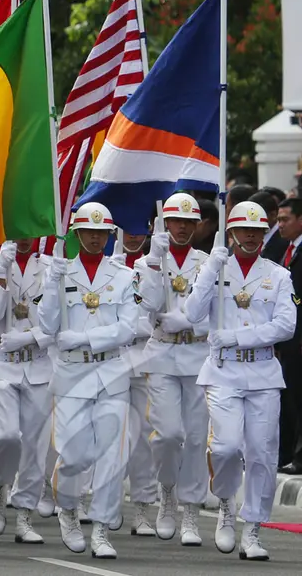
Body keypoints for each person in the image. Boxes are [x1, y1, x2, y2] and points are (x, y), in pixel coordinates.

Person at [184, 201, 296, 561]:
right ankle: (226, 504)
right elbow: (191, 313)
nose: (251, 236)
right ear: (230, 233)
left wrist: (239, 337)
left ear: (265, 234)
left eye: (258, 230)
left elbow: (286, 325)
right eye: (244, 230)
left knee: (262, 454)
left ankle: (253, 529)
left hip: (262, 370)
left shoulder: (278, 275)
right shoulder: (214, 268)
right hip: (224, 372)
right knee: (226, 447)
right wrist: (208, 270)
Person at [38, 202, 136, 559]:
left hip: (110, 371)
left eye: (101, 233)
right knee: (75, 454)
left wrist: (83, 338)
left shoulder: (124, 276)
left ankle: (100, 530)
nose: (95, 238)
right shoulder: (61, 273)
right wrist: (51, 283)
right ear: (77, 234)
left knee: (112, 457)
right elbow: (48, 326)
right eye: (88, 232)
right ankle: (67, 512)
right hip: (72, 374)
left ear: (109, 236)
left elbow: (128, 328)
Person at [134, 193, 210, 545]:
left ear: (197, 226)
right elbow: (147, 305)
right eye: (176, 221)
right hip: (162, 351)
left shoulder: (209, 263)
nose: (182, 227)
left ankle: (190, 509)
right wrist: (153, 259)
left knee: (195, 437)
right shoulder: (147, 262)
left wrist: (194, 324)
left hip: (196, 353)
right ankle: (167, 494)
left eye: (188, 222)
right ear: (163, 224)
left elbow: (217, 315)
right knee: (167, 434)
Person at [0, 238, 51, 544]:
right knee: (4, 436)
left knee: (35, 446)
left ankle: (24, 513)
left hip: (37, 363)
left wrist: (28, 338)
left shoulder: (51, 269)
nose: (23, 237)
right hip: (1, 365)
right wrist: (1, 272)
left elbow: (57, 323)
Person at [113, 228, 157, 536]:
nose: (132, 237)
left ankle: (142, 508)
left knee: (143, 438)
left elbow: (156, 312)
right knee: (110, 436)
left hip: (143, 360)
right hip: (111, 361)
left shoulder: (153, 264)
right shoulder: (105, 265)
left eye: (139, 230)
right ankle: (108, 502)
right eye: (126, 230)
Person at [275, 198, 302, 474]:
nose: (280, 225)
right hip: (289, 337)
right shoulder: (288, 249)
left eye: (285, 220)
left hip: (299, 336)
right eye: (279, 220)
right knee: (290, 397)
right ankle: (289, 453)